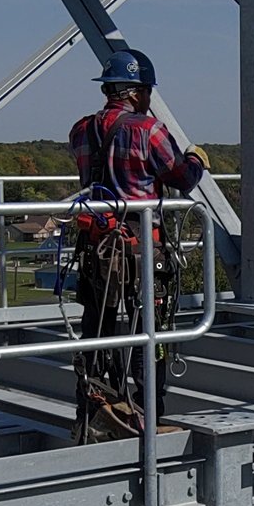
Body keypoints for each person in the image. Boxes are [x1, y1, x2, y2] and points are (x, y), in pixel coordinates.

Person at [67, 49, 205, 438]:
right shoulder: (148, 129)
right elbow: (180, 177)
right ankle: (147, 417)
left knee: (97, 329)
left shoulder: (80, 129)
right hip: (143, 247)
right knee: (149, 332)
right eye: (146, 91)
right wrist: (196, 160)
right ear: (137, 92)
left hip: (97, 247)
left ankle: (92, 409)